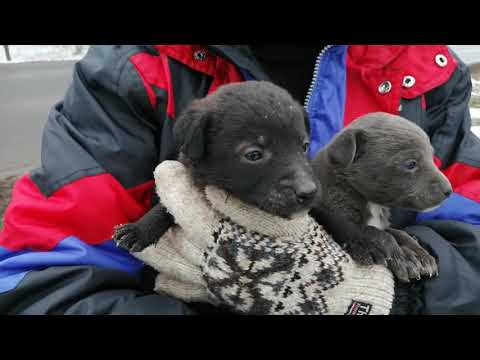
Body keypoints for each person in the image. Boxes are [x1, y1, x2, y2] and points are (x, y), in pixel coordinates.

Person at [0, 45, 479, 315]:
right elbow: (40, 280)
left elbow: (472, 233)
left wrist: (396, 297)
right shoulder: (139, 73)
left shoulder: (427, 73)